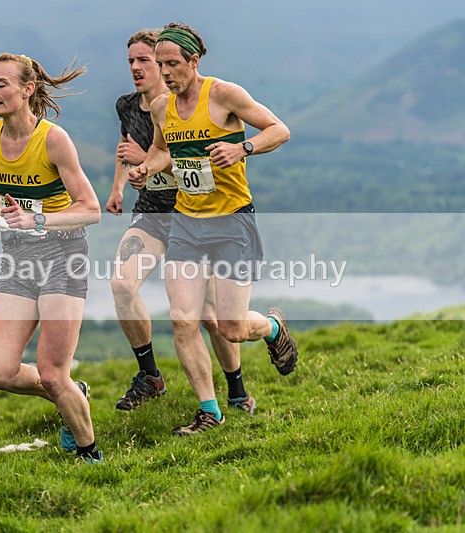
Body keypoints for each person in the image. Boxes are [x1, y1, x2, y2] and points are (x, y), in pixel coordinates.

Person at [129, 23, 299, 436]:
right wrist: (144, 169)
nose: (166, 73)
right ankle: (210, 411)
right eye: (160, 64)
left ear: (193, 61)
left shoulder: (223, 94)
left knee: (232, 328)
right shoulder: (161, 107)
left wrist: (242, 147)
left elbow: (279, 129)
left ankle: (273, 328)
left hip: (232, 224)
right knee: (183, 319)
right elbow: (162, 150)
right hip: (187, 224)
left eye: (173, 64)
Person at [106, 29, 256, 414]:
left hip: (199, 212)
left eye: (148, 61)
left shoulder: (204, 97)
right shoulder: (131, 107)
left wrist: (240, 148)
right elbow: (139, 151)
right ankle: (154, 377)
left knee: (217, 319)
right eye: (133, 62)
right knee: (126, 285)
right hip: (155, 212)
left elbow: (185, 155)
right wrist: (124, 182)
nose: (139, 68)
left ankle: (237, 388)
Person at [0, 53, 103, 463]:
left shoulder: (53, 139)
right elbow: (0, 182)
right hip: (17, 260)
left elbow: (91, 208)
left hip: (63, 257)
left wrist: (37, 219)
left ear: (27, 90)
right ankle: (72, 395)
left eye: (1, 84)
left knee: (51, 371)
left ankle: (89, 453)